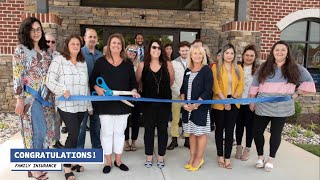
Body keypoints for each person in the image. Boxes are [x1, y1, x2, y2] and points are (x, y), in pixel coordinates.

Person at [249, 41, 316, 172]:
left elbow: (309, 82)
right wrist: (252, 101)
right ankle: (260, 157)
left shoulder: (295, 68)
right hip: (263, 105)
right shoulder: (264, 67)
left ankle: (271, 159)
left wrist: (296, 93)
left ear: (287, 53)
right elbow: (255, 85)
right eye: (277, 49)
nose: (279, 52)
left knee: (275, 134)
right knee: (256, 131)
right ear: (272, 52)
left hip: (282, 106)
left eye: (283, 50)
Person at [90, 33, 140, 174]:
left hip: (123, 105)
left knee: (119, 133)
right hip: (105, 105)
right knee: (106, 133)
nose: (116, 45)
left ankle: (118, 160)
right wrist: (97, 88)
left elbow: (133, 82)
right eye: (114, 43)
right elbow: (93, 79)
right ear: (109, 45)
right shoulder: (100, 62)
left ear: (122, 46)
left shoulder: (127, 63)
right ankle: (108, 162)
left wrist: (134, 90)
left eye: (119, 43)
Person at [13, 17, 55, 180]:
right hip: (30, 99)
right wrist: (19, 99)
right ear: (26, 31)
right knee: (37, 131)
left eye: (39, 29)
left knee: (45, 133)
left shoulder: (46, 51)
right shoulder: (21, 50)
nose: (37, 32)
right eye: (33, 29)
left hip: (46, 99)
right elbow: (18, 75)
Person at [46, 34, 92, 180]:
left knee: (76, 134)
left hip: (81, 105)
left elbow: (86, 85)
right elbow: (49, 80)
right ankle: (66, 167)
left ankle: (71, 162)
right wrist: (62, 89)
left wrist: (89, 105)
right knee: (73, 132)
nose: (76, 46)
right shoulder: (59, 60)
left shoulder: (82, 62)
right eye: (73, 44)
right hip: (65, 105)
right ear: (67, 45)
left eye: (78, 44)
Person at [136, 39, 174, 169]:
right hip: (148, 104)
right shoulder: (142, 65)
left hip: (164, 103)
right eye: (154, 47)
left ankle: (161, 157)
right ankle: (149, 156)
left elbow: (171, 82)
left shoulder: (167, 64)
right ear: (149, 49)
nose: (156, 50)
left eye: (158, 48)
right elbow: (138, 82)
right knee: (149, 129)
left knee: (163, 129)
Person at [180, 45, 213, 172]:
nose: (197, 56)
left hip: (200, 108)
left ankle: (199, 159)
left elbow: (207, 91)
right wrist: (184, 103)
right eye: (195, 53)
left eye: (200, 53)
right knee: (192, 134)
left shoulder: (206, 70)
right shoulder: (188, 70)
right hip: (187, 108)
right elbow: (183, 89)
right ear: (191, 55)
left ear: (203, 56)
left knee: (200, 133)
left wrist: (196, 105)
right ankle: (192, 158)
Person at [212, 44, 244, 169]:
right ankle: (220, 155)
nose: (229, 55)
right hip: (219, 102)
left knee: (230, 131)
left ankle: (227, 157)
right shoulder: (216, 67)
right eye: (227, 53)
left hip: (234, 102)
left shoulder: (238, 68)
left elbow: (240, 86)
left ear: (234, 55)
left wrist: (231, 100)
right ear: (222, 54)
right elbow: (215, 85)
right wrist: (224, 100)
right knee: (219, 130)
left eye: (231, 53)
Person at [78, 28, 103, 149]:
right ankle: (79, 151)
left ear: (97, 40)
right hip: (82, 95)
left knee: (96, 123)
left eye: (94, 37)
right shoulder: (79, 53)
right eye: (90, 37)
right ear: (84, 38)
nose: (92, 39)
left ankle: (97, 148)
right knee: (82, 124)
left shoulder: (100, 55)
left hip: (97, 95)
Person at [235, 45, 259, 161]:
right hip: (238, 103)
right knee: (238, 126)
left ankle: (247, 148)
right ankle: (239, 146)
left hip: (251, 104)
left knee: (250, 127)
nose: (249, 58)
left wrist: (253, 102)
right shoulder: (237, 68)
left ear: (255, 57)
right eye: (247, 55)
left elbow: (260, 87)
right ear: (243, 55)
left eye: (252, 56)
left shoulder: (258, 71)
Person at [168, 41, 191, 150]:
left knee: (187, 118)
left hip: (189, 96)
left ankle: (187, 139)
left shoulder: (193, 63)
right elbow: (171, 80)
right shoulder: (173, 63)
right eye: (182, 50)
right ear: (179, 51)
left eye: (187, 50)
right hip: (176, 95)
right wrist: (180, 92)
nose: (185, 52)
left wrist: (187, 94)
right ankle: (174, 139)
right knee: (175, 118)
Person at [45, 33, 65, 149]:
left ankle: (56, 140)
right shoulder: (40, 55)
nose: (50, 44)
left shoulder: (59, 57)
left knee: (57, 118)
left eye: (53, 42)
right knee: (45, 119)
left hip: (57, 92)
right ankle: (46, 143)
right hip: (43, 94)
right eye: (48, 41)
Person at [124, 44, 140, 151]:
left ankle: (134, 141)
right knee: (125, 119)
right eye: (130, 50)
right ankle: (126, 142)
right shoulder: (122, 63)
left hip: (137, 95)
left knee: (136, 119)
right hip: (125, 95)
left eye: (135, 51)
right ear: (126, 51)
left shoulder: (140, 64)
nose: (132, 53)